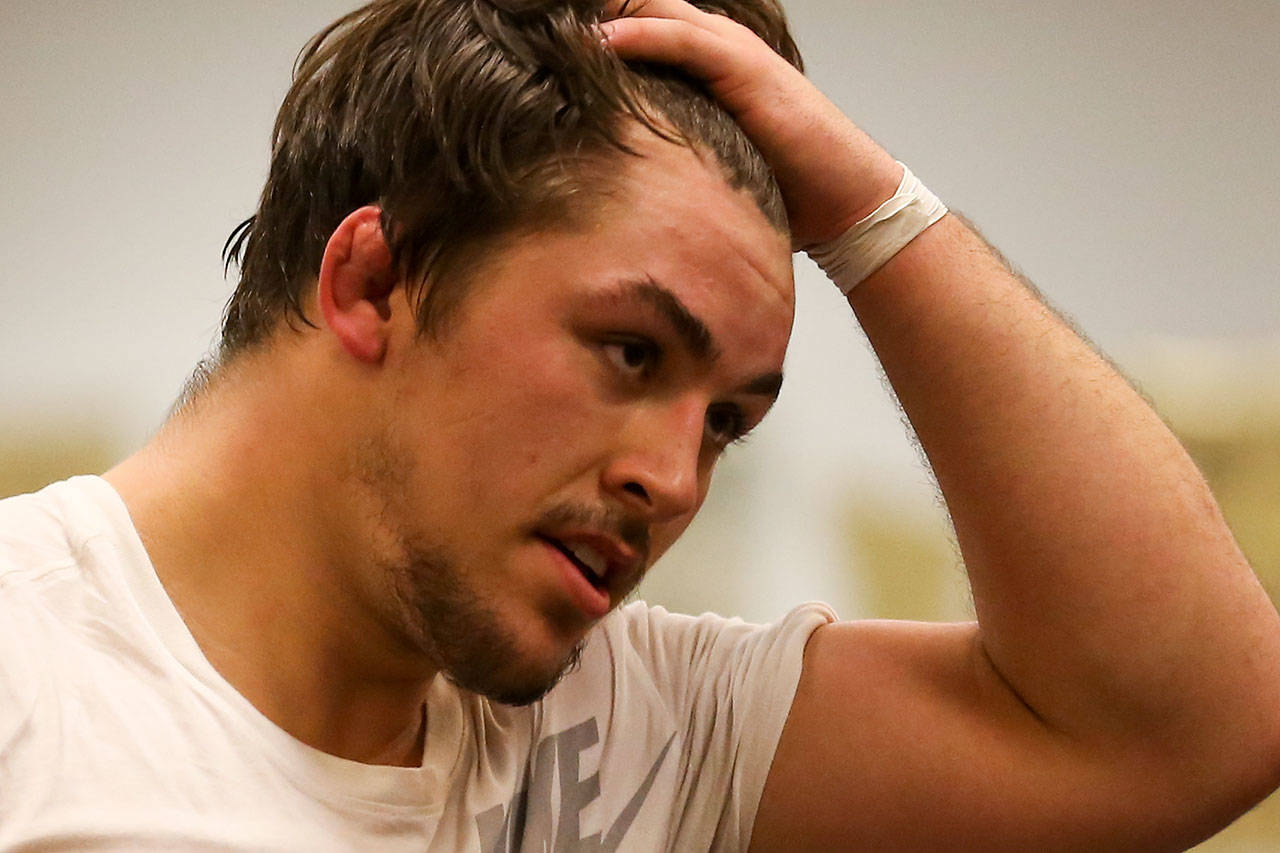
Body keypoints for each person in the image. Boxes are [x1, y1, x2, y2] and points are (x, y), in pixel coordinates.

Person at [1, 0, 1278, 848]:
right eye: (629, 351)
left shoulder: (644, 729)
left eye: (725, 421)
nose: (672, 479)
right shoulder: (30, 673)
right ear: (375, 283)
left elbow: (1191, 727)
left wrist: (870, 209)